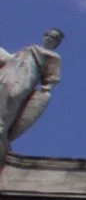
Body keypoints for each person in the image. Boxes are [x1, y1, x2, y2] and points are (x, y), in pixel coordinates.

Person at [0, 28, 62, 166]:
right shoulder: (30, 48)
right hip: (9, 73)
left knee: (13, 96)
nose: (50, 38)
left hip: (27, 78)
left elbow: (53, 77)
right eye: (48, 35)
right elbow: (11, 59)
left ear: (57, 42)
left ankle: (2, 125)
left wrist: (46, 89)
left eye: (54, 37)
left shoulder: (53, 57)